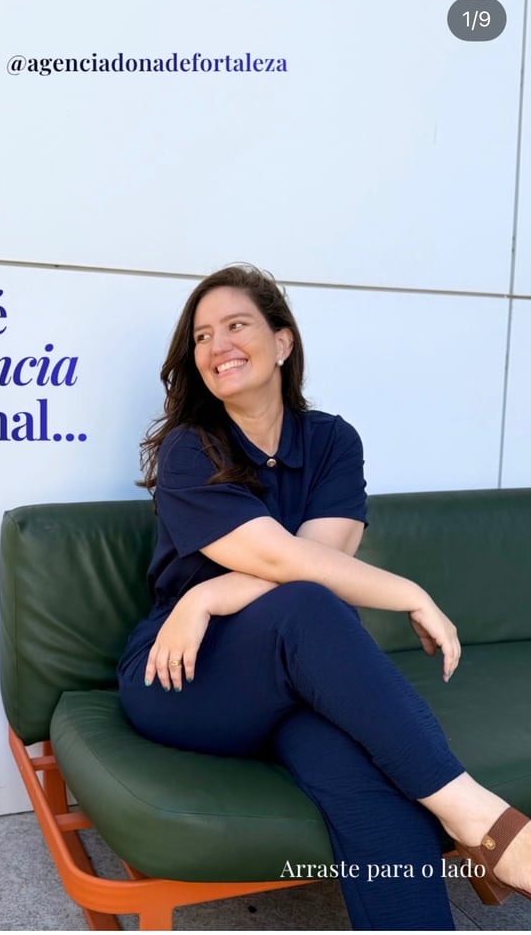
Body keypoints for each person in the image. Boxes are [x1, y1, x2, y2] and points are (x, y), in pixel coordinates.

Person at [116, 264, 531, 930]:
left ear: (282, 341)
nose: (216, 343)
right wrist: (409, 591)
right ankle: (479, 817)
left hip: (295, 677)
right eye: (201, 335)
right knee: (308, 604)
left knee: (374, 779)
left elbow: (321, 562)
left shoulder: (333, 439)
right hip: (183, 672)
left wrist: (212, 592)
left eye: (236, 324)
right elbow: (291, 565)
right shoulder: (190, 449)